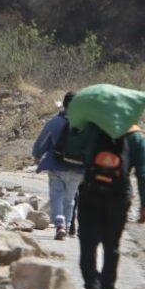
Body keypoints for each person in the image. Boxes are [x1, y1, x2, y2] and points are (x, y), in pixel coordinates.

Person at [78, 122, 145, 289]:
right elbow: (143, 174)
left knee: (88, 242)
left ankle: (92, 286)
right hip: (119, 196)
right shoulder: (137, 137)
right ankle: (107, 288)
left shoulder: (94, 128)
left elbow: (81, 154)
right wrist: (143, 205)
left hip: (91, 192)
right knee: (112, 244)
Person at [32, 92, 84, 240]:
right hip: (77, 169)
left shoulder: (55, 122)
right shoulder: (85, 124)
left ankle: (60, 225)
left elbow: (42, 142)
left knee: (56, 197)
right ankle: (67, 226)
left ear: (64, 104)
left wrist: (37, 155)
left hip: (56, 167)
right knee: (70, 199)